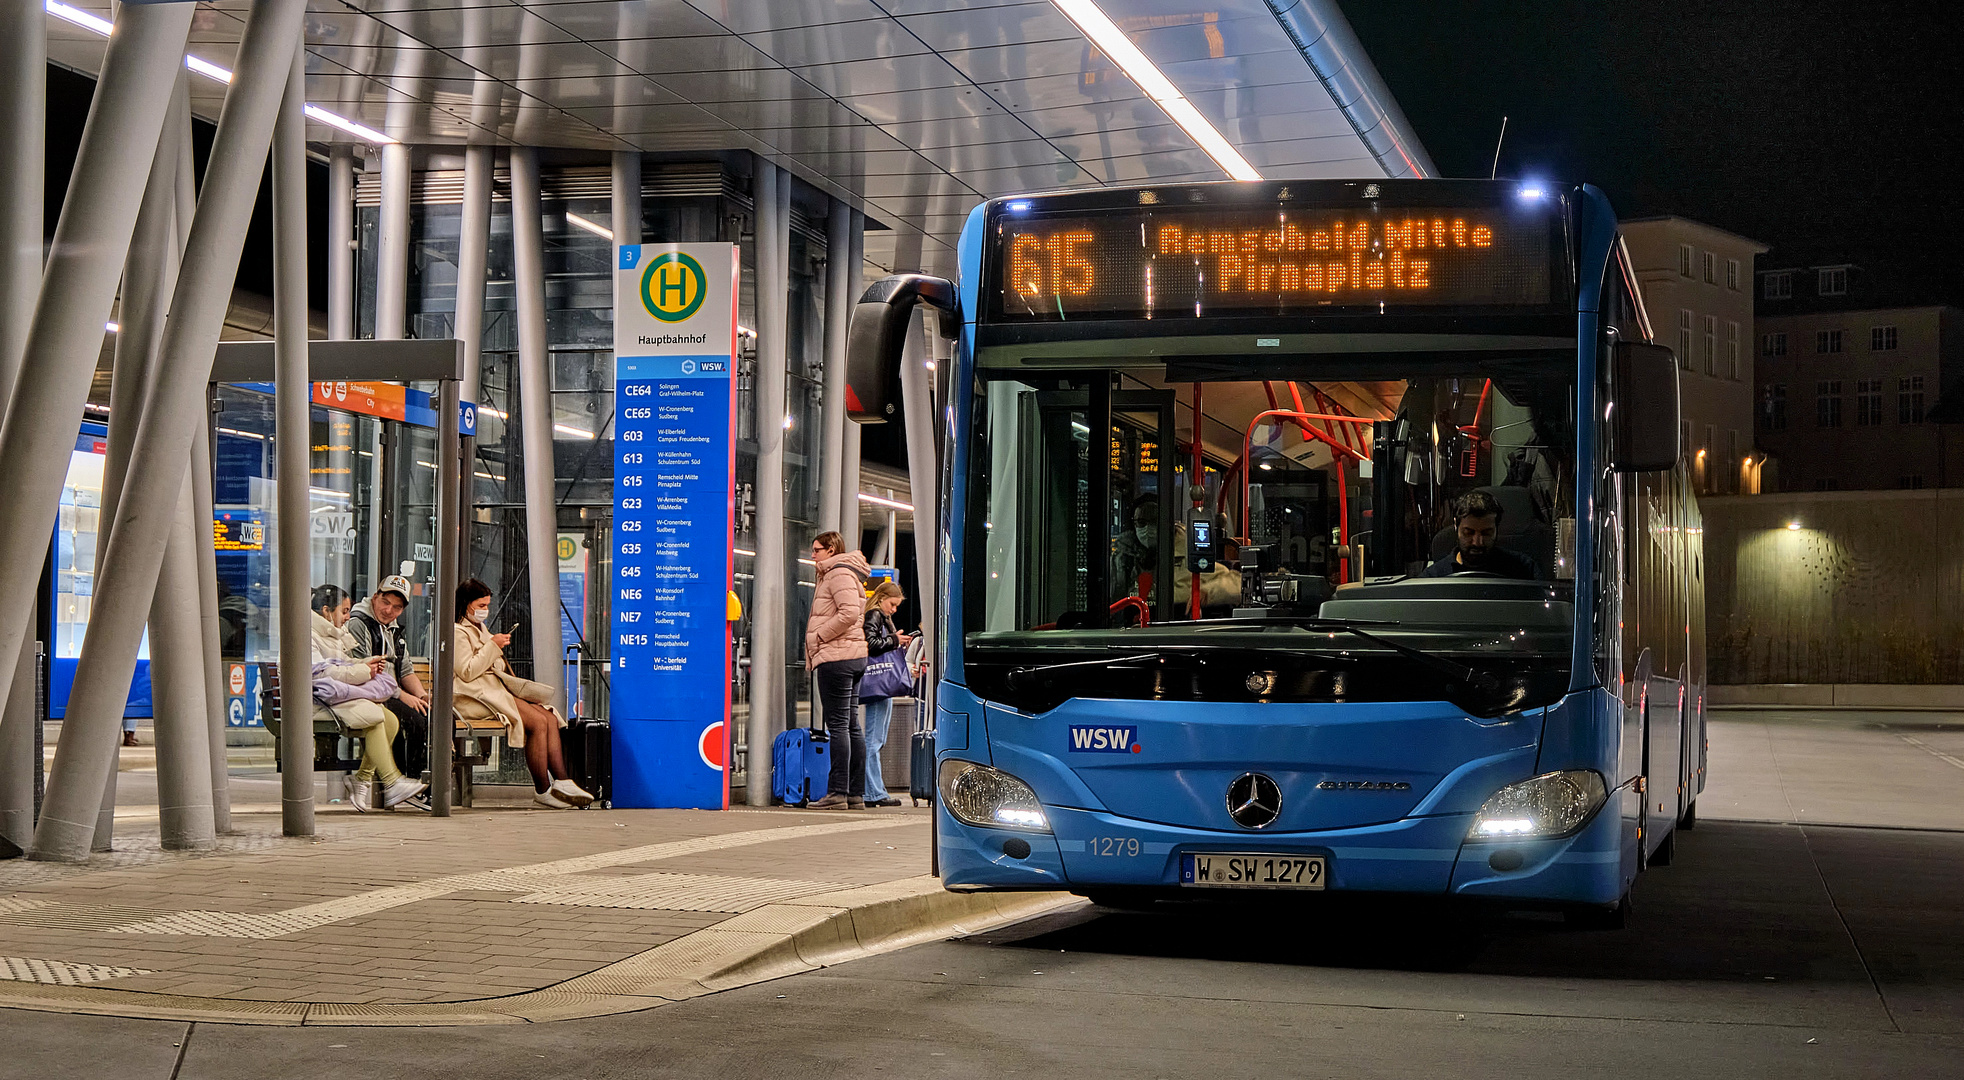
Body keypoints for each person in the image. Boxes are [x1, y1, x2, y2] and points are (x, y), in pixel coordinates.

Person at [452, 578, 595, 809]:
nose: (485, 611)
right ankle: (542, 789)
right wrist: (493, 646)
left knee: (548, 716)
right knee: (538, 722)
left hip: (492, 692)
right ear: (466, 604)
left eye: (487, 605)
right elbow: (467, 671)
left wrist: (494, 647)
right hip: (474, 698)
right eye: (480, 606)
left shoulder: (479, 628)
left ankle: (562, 779)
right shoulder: (458, 631)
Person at [310, 584, 427, 813]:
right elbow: (321, 673)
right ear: (326, 611)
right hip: (316, 700)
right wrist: (365, 671)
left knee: (390, 721)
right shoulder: (311, 634)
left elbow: (341, 664)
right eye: (344, 611)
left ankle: (362, 779)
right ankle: (392, 781)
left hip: (336, 696)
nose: (347, 617)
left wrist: (366, 663)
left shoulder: (334, 634)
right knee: (374, 717)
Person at [803, 531, 869, 810]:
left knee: (839, 725)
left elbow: (849, 613)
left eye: (816, 550)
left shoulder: (838, 573)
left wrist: (819, 637)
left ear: (831, 550)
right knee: (851, 725)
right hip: (852, 656)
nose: (813, 555)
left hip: (837, 657)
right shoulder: (846, 573)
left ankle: (838, 792)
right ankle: (855, 793)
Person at [346, 575, 430, 779]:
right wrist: (401, 695)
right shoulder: (358, 624)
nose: (389, 611)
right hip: (370, 694)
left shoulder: (393, 629)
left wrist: (421, 695)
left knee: (439, 718)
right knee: (412, 720)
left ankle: (427, 782)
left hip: (389, 692)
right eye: (385, 602)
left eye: (397, 607)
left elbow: (406, 669)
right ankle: (406, 779)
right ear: (375, 597)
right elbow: (365, 671)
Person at [858, 580, 912, 808]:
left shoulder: (877, 615)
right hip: (879, 685)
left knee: (875, 738)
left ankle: (874, 790)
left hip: (880, 684)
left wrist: (893, 640)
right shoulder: (875, 615)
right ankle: (873, 792)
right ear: (881, 598)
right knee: (874, 739)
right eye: (893, 604)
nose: (894, 609)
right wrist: (894, 640)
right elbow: (870, 643)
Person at [1421, 490, 1540, 580]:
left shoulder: (1525, 570)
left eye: (1486, 533)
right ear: (1456, 526)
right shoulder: (1433, 577)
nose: (1477, 542)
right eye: (1468, 533)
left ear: (1496, 529)